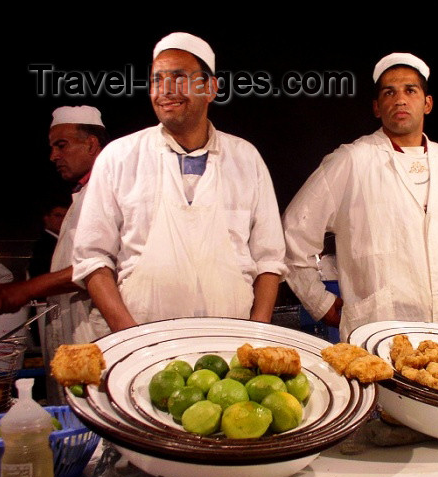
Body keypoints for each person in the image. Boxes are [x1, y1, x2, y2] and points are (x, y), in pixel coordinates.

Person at [71, 32, 285, 336]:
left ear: (211, 88)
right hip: (141, 345)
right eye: (157, 80)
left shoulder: (246, 159)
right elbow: (92, 257)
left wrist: (256, 333)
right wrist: (129, 335)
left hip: (231, 345)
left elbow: (269, 260)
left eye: (179, 77)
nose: (165, 90)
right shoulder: (119, 157)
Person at [283, 52, 438, 341]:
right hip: (379, 333)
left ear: (428, 103)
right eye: (389, 92)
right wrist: (319, 302)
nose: (400, 99)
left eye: (410, 90)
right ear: (376, 107)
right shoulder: (351, 161)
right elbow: (293, 232)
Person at [0, 105, 107, 403]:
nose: (53, 156)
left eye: (61, 145)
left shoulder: (112, 193)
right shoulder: (81, 197)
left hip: (95, 339)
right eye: (51, 147)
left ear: (90, 143)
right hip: (73, 338)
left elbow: (99, 266)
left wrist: (26, 289)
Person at [27, 201, 69, 279]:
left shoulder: (61, 241)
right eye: (58, 216)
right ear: (46, 218)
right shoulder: (43, 245)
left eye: (65, 216)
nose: (62, 220)